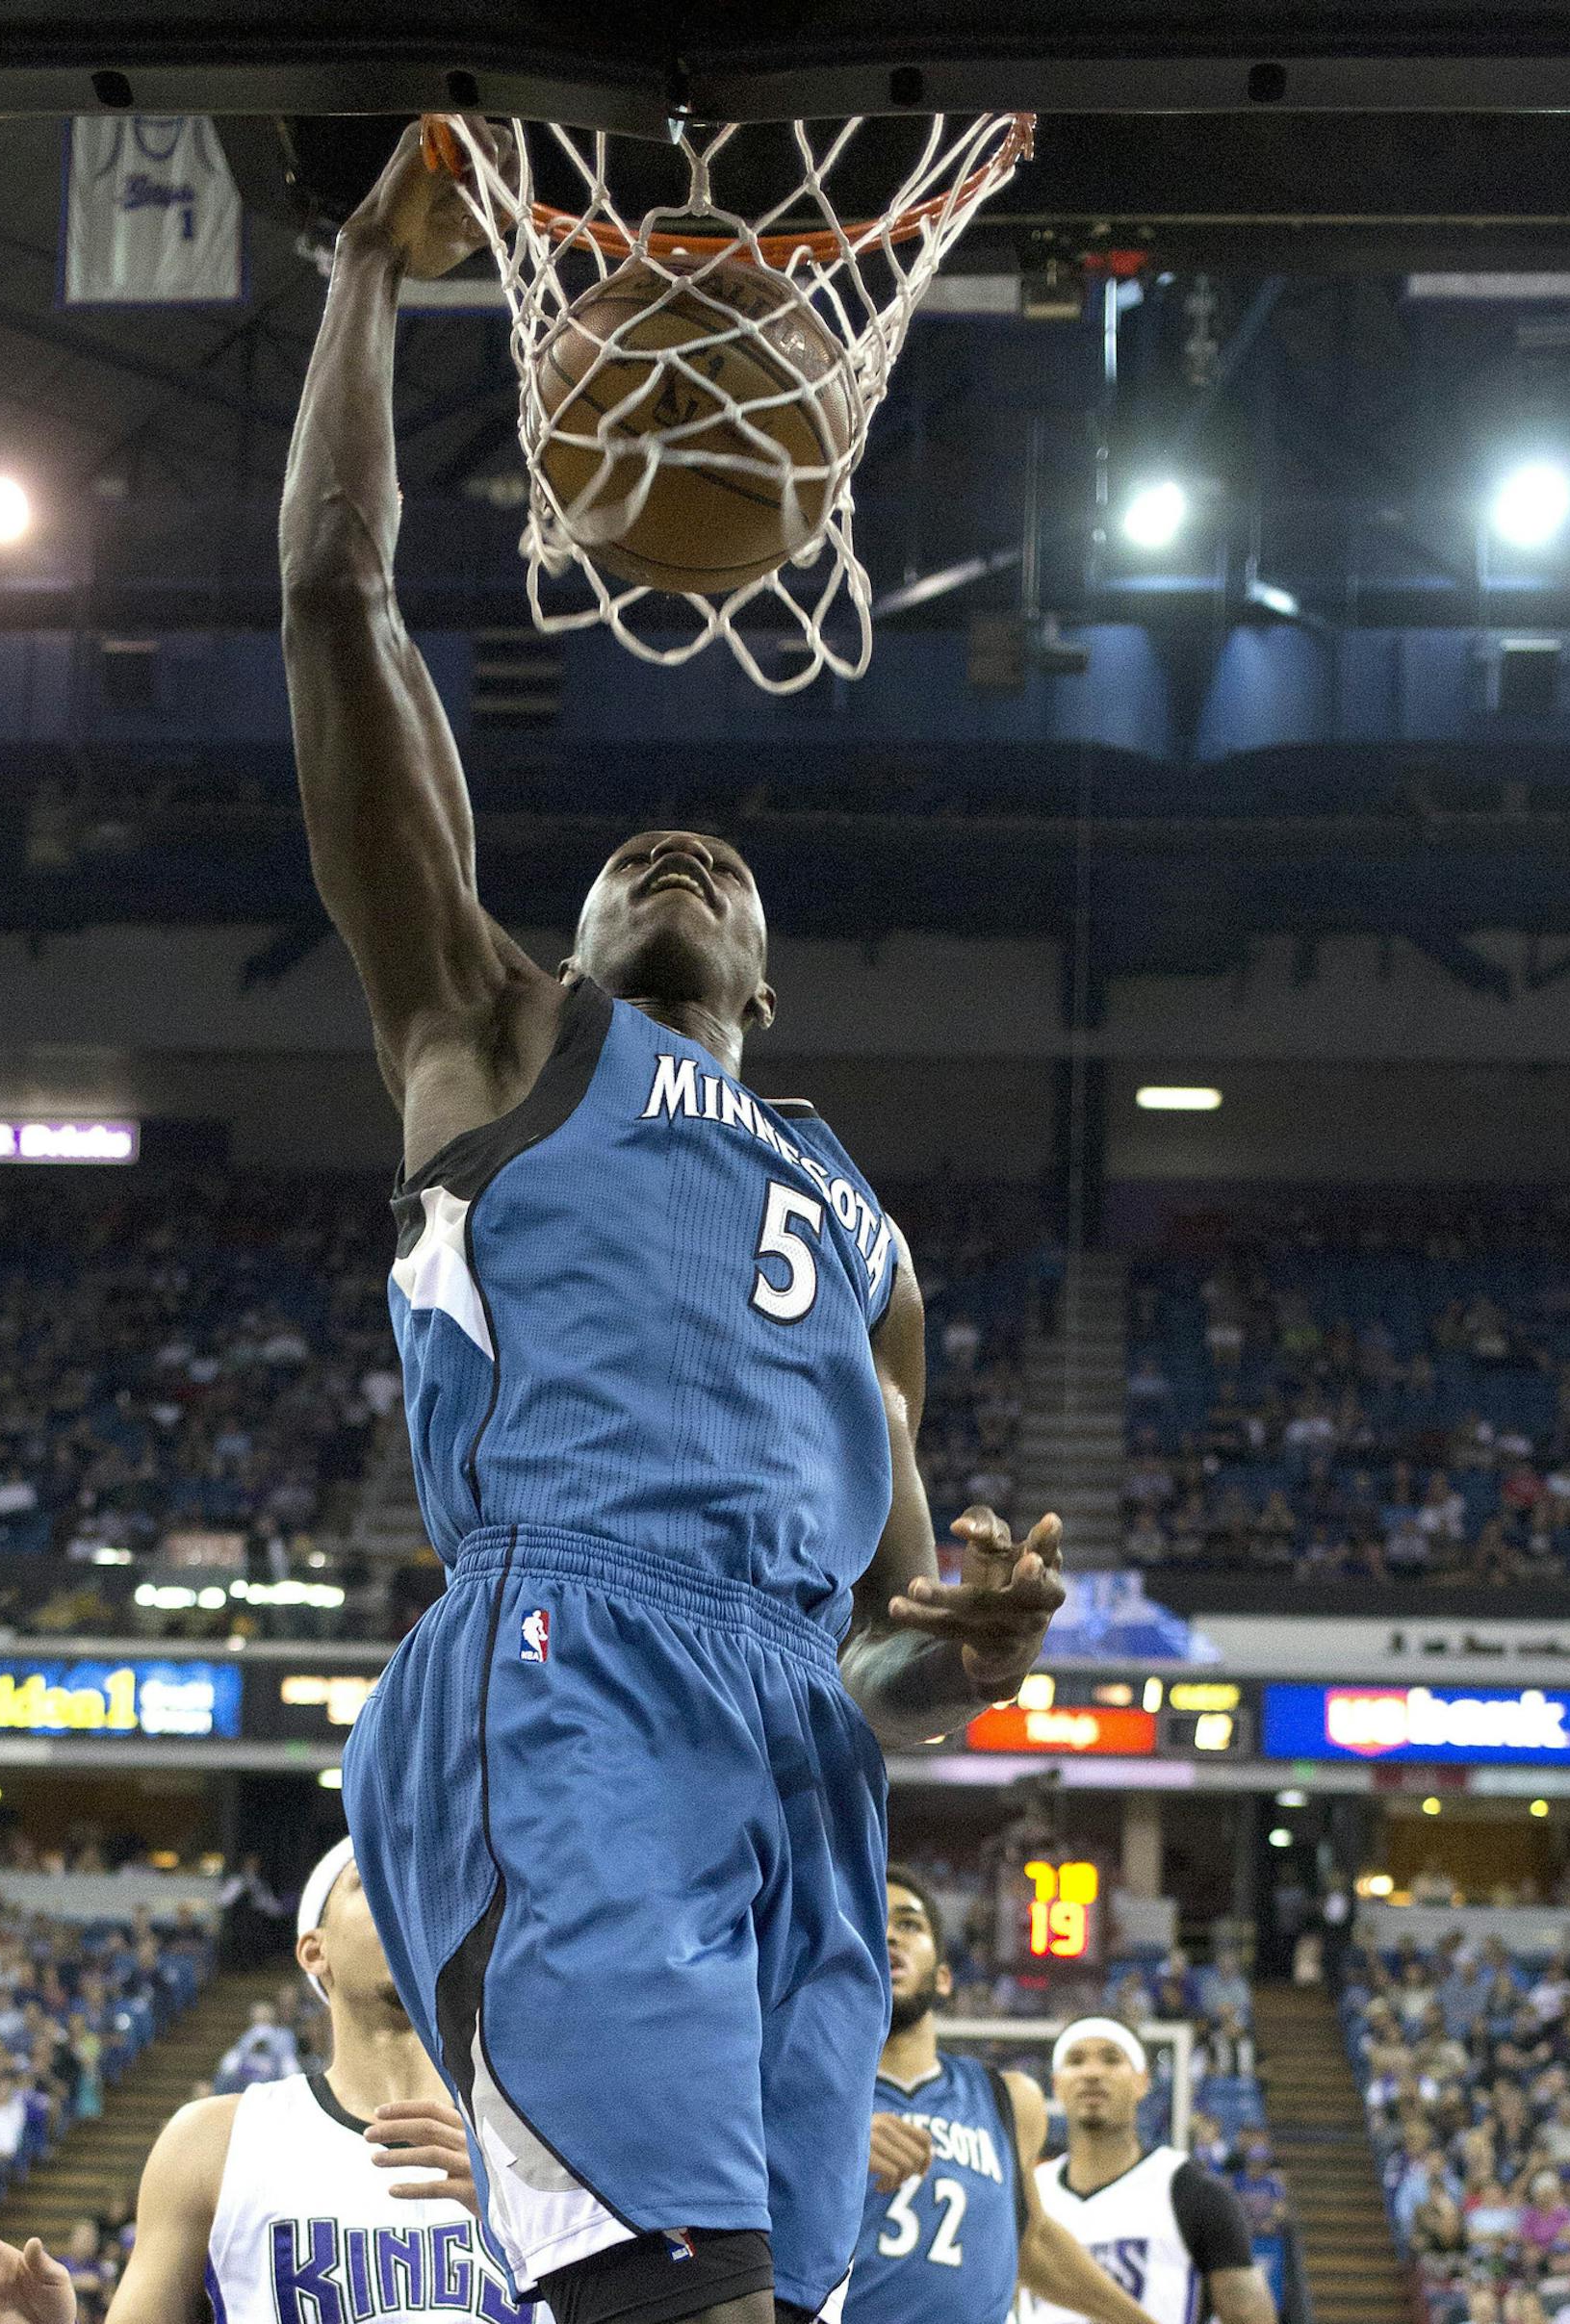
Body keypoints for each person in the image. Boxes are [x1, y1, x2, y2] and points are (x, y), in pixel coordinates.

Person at [280, 122, 1068, 2324]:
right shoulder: (492, 1034)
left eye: (718, 868)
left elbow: (874, 1672)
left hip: (784, 1773)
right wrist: (366, 278)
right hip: (562, 1694)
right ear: (573, 929)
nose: (673, 856)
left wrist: (970, 1654)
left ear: (769, 982)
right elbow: (332, 610)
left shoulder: (861, 1235)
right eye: (630, 857)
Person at [0, 1839, 534, 2324]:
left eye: (425, 1886)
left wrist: (525, 2214)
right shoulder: (214, 2140)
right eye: (371, 1880)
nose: (409, 1897)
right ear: (314, 1950)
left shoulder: (545, 2145)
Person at [837, 1872, 1162, 2324]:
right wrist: (834, 2146)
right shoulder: (813, 2098)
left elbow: (1031, 2241)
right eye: (873, 1923)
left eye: (910, 1925)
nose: (890, 1935)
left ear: (945, 1978)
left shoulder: (1007, 2097)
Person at [1026, 2020, 1278, 2324]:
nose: (1091, 2073)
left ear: (1142, 2082)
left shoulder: (1192, 2191)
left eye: (1111, 2059)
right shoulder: (1027, 2194)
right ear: (1056, 2085)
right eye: (1076, 2060)